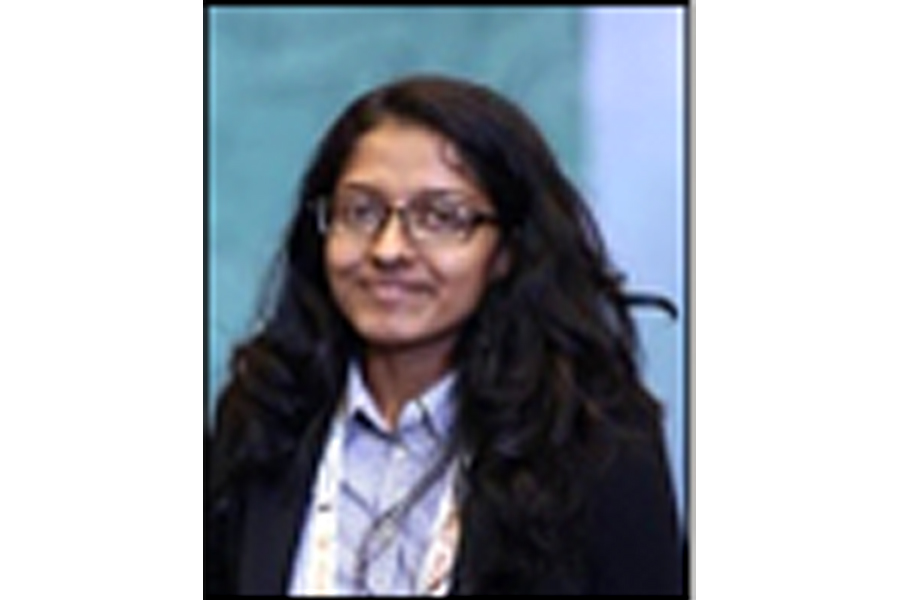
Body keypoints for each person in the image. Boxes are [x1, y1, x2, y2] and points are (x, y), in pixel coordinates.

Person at [206, 74, 685, 596]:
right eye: (361, 212)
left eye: (441, 217)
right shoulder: (264, 419)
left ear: (506, 251)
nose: (389, 250)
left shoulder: (597, 446)